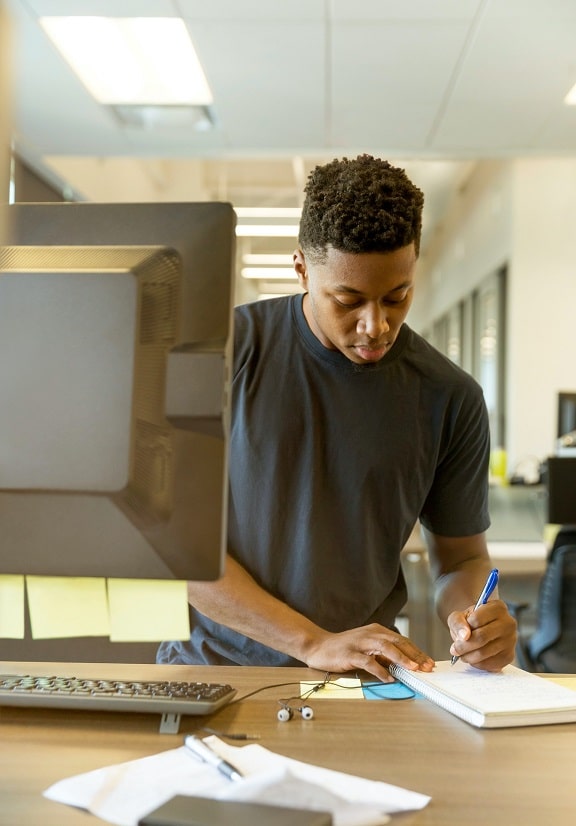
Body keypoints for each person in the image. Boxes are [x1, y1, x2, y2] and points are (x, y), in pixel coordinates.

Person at [157, 154, 517, 680]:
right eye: (348, 300)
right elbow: (174, 545)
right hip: (213, 671)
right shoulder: (221, 355)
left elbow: (461, 561)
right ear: (301, 267)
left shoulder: (450, 396)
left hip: (361, 679)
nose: (376, 325)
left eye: (397, 297)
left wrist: (475, 621)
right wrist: (310, 641)